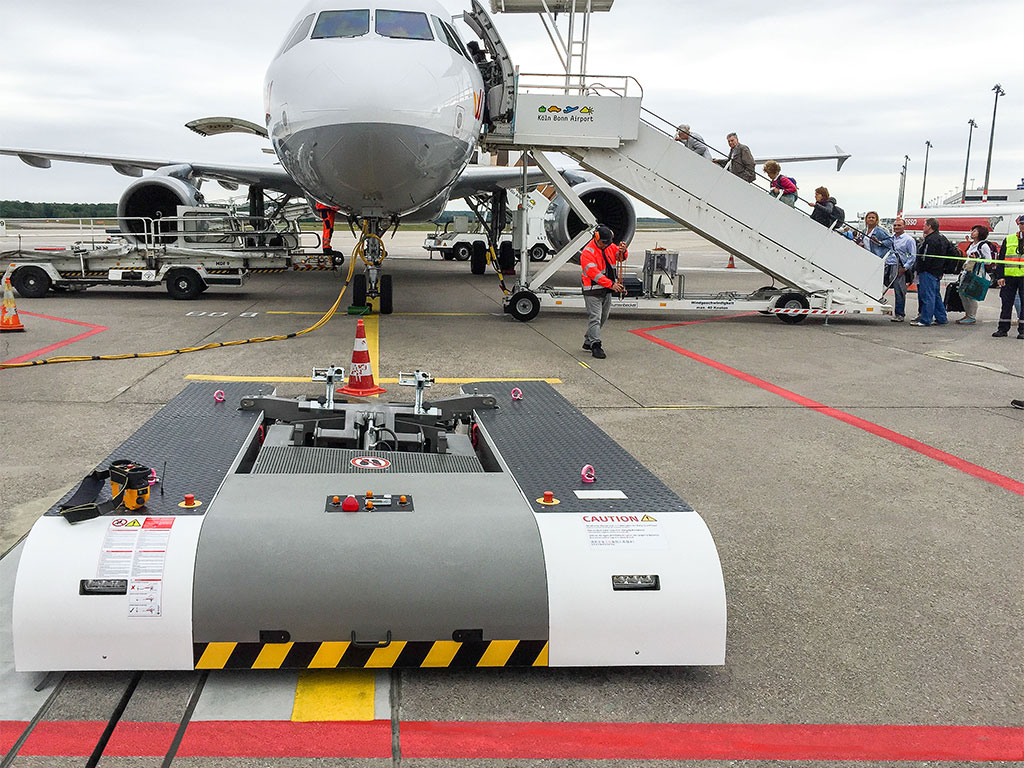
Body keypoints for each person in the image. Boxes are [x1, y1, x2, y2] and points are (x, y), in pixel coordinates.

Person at [580, 224, 627, 359]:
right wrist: (612, 284)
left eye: (607, 243)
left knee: (603, 317)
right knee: (595, 317)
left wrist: (623, 251)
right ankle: (596, 345)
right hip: (592, 290)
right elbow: (595, 275)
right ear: (596, 238)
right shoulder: (587, 253)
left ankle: (588, 340)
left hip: (606, 289)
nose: (604, 245)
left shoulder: (608, 246)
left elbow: (619, 256)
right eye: (602, 243)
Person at [910, 218, 950, 327]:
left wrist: (920, 268)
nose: (923, 227)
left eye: (924, 225)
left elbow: (925, 257)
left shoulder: (930, 240)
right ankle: (941, 317)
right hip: (938, 271)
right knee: (936, 295)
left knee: (928, 296)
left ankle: (925, 319)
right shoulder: (942, 238)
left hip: (928, 271)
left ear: (929, 226)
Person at [991, 214, 1024, 338]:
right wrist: (1000, 276)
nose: (1023, 226)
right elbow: (1001, 259)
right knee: (1006, 303)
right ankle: (1003, 329)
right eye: (1021, 224)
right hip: (1009, 277)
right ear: (1018, 225)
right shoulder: (1009, 239)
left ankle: (1023, 331)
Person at [956, 224, 993, 325]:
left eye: (975, 231)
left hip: (976, 272)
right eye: (972, 230)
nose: (972, 232)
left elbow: (989, 261)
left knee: (970, 294)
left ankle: (971, 316)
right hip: (967, 271)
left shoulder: (983, 245)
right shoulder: (972, 244)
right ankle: (967, 314)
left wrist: (977, 259)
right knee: (962, 292)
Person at [885, 218, 916, 322]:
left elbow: (912, 256)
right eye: (895, 225)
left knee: (899, 291)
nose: (896, 227)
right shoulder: (890, 238)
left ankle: (899, 314)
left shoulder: (909, 240)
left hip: (899, 267)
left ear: (904, 227)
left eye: (899, 225)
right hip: (888, 265)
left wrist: (905, 268)